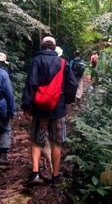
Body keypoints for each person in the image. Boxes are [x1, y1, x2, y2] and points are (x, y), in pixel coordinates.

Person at [22, 36, 77, 186]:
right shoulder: (63, 62)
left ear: (42, 46)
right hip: (57, 109)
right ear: (54, 48)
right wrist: (66, 100)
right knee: (56, 142)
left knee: (36, 140)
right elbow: (72, 84)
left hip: (40, 109)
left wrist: (26, 106)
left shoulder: (36, 61)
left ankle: (35, 173)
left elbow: (31, 84)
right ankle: (56, 176)